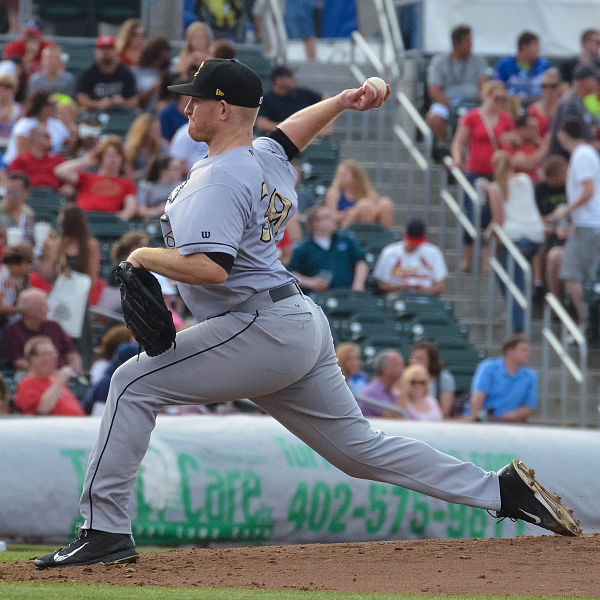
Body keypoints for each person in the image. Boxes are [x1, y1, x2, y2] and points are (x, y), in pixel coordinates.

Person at [34, 58, 579, 571]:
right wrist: (341, 101)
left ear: (223, 109)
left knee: (130, 383)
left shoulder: (221, 176)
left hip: (260, 326)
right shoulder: (261, 158)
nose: (187, 107)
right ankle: (499, 491)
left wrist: (138, 256)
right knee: (359, 451)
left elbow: (211, 269)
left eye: (196, 99)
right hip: (293, 322)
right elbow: (288, 134)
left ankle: (103, 530)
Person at [450, 80, 514, 272]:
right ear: (487, 96)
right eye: (496, 98)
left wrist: (510, 141)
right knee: (473, 212)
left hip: (498, 172)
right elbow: (459, 142)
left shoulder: (505, 119)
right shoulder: (473, 117)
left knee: (493, 215)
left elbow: (513, 142)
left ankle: (488, 258)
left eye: (503, 99)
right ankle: (467, 256)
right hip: (476, 170)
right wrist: (457, 159)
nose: (499, 103)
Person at [486, 150, 545, 333]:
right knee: (513, 278)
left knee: (510, 280)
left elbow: (499, 219)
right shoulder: (525, 179)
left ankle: (519, 325)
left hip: (515, 237)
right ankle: (514, 314)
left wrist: (487, 233)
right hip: (535, 235)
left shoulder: (494, 187)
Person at [552, 118, 600, 336]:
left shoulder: (581, 155)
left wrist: (566, 211)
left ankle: (585, 322)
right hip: (588, 223)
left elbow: (588, 191)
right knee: (586, 276)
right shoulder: (588, 153)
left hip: (588, 224)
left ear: (564, 133)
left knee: (571, 274)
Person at [426, 24, 488, 143]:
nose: (471, 45)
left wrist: (478, 103)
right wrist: (451, 105)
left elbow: (484, 86)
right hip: (447, 103)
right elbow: (434, 90)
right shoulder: (439, 61)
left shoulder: (479, 60)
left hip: (474, 103)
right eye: (467, 41)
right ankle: (447, 146)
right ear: (456, 43)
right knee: (434, 118)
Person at [54, 135, 138, 221]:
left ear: (122, 159)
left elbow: (130, 208)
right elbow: (60, 171)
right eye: (109, 155)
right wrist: (84, 162)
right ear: (101, 158)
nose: (113, 160)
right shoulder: (87, 178)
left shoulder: (127, 183)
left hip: (107, 220)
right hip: (83, 218)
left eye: (117, 156)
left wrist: (120, 218)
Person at [288, 205, 368, 294]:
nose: (333, 219)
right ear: (315, 223)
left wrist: (358, 285)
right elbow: (292, 273)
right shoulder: (303, 248)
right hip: (319, 296)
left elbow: (361, 261)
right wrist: (309, 282)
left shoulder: (345, 239)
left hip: (347, 293)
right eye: (327, 217)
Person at [1, 287, 82, 373]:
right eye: (43, 307)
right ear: (29, 311)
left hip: (65, 375)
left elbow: (70, 351)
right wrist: (47, 373)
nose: (48, 310)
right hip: (33, 377)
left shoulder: (54, 326)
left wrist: (74, 367)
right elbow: (18, 362)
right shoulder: (12, 332)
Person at [465, 334, 537, 423]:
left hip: (508, 423)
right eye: (524, 350)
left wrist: (510, 416)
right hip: (483, 420)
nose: (527, 354)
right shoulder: (488, 367)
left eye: (528, 351)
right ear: (510, 351)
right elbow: (477, 399)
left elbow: (528, 408)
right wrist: (478, 420)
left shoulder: (530, 376)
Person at [12, 335, 84, 416]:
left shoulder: (54, 380)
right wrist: (60, 381)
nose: (53, 358)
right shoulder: (27, 384)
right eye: (47, 354)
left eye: (54, 353)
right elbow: (42, 410)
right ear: (33, 358)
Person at [373, 218, 448, 295]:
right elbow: (382, 286)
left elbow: (440, 286)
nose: (414, 245)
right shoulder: (389, 252)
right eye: (412, 241)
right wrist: (401, 288)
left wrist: (425, 290)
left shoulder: (433, 252)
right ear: (404, 236)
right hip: (397, 299)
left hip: (425, 299)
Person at [533, 155, 569, 301]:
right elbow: (536, 217)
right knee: (540, 240)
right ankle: (538, 283)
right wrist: (551, 222)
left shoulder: (571, 187)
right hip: (548, 227)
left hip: (568, 229)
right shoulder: (540, 190)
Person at [2, 90, 71, 165]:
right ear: (41, 106)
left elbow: (69, 145)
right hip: (21, 166)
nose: (54, 107)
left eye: (54, 105)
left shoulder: (57, 124)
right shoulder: (24, 124)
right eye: (50, 105)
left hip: (49, 166)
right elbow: (22, 153)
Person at [324, 158, 394, 229]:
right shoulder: (334, 193)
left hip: (368, 221)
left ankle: (386, 236)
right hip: (345, 225)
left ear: (355, 177)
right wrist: (346, 213)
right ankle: (362, 236)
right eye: (339, 175)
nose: (340, 178)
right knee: (364, 205)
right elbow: (330, 216)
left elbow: (372, 212)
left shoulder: (367, 192)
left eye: (344, 175)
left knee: (385, 203)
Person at [548, 62, 599, 158]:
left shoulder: (579, 100)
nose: (597, 82)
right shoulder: (570, 102)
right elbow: (568, 139)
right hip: (564, 162)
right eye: (594, 79)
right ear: (586, 80)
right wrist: (594, 146)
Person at [75, 36, 138, 111]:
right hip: (94, 116)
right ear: (96, 51)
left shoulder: (126, 73)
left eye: (109, 49)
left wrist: (123, 102)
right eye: (102, 49)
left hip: (120, 116)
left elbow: (135, 101)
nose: (106, 52)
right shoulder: (87, 74)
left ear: (116, 51)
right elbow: (81, 99)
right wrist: (98, 104)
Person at [255, 65, 323, 134]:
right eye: (289, 76)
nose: (294, 79)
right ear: (278, 80)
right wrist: (289, 128)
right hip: (277, 139)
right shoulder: (267, 99)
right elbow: (261, 124)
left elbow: (326, 100)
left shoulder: (302, 94)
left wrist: (325, 124)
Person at [493, 31, 551, 99]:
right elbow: (496, 86)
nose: (538, 51)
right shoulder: (505, 64)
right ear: (524, 47)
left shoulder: (543, 65)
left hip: (537, 105)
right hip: (511, 105)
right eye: (536, 48)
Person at [8, 124, 65, 191]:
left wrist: (68, 185)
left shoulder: (58, 161)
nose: (51, 139)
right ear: (35, 138)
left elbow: (70, 180)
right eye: (46, 136)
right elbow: (14, 185)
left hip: (54, 196)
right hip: (29, 197)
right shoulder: (19, 161)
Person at [409, 340, 455, 418]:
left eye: (419, 359)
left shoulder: (444, 379)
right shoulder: (404, 378)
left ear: (431, 361)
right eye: (413, 357)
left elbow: (444, 411)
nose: (414, 361)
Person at [358, 349, 405, 418]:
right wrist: (405, 390)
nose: (402, 370)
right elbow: (396, 417)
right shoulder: (372, 392)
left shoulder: (391, 391)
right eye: (398, 365)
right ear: (386, 369)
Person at [123, 114, 167, 180]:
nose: (159, 132)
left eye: (159, 129)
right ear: (145, 131)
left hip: (155, 182)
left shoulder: (161, 145)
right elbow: (129, 175)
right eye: (155, 129)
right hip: (136, 182)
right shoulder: (130, 147)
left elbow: (165, 169)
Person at [0, 242, 33, 327]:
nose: (28, 267)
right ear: (22, 262)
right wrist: (23, 309)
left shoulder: (8, 275)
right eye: (28, 264)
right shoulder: (3, 276)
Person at [527, 67, 565, 138]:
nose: (548, 90)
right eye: (544, 86)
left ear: (560, 87)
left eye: (553, 86)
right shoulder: (533, 110)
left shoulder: (565, 108)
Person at [0, 170, 34, 244]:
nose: (11, 196)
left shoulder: (28, 213)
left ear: (26, 193)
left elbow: (30, 239)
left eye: (15, 192)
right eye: (9, 192)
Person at [0, 72, 22, 152]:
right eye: (1, 85)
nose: (3, 89)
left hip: (10, 147)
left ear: (14, 89)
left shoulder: (19, 109)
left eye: (8, 86)